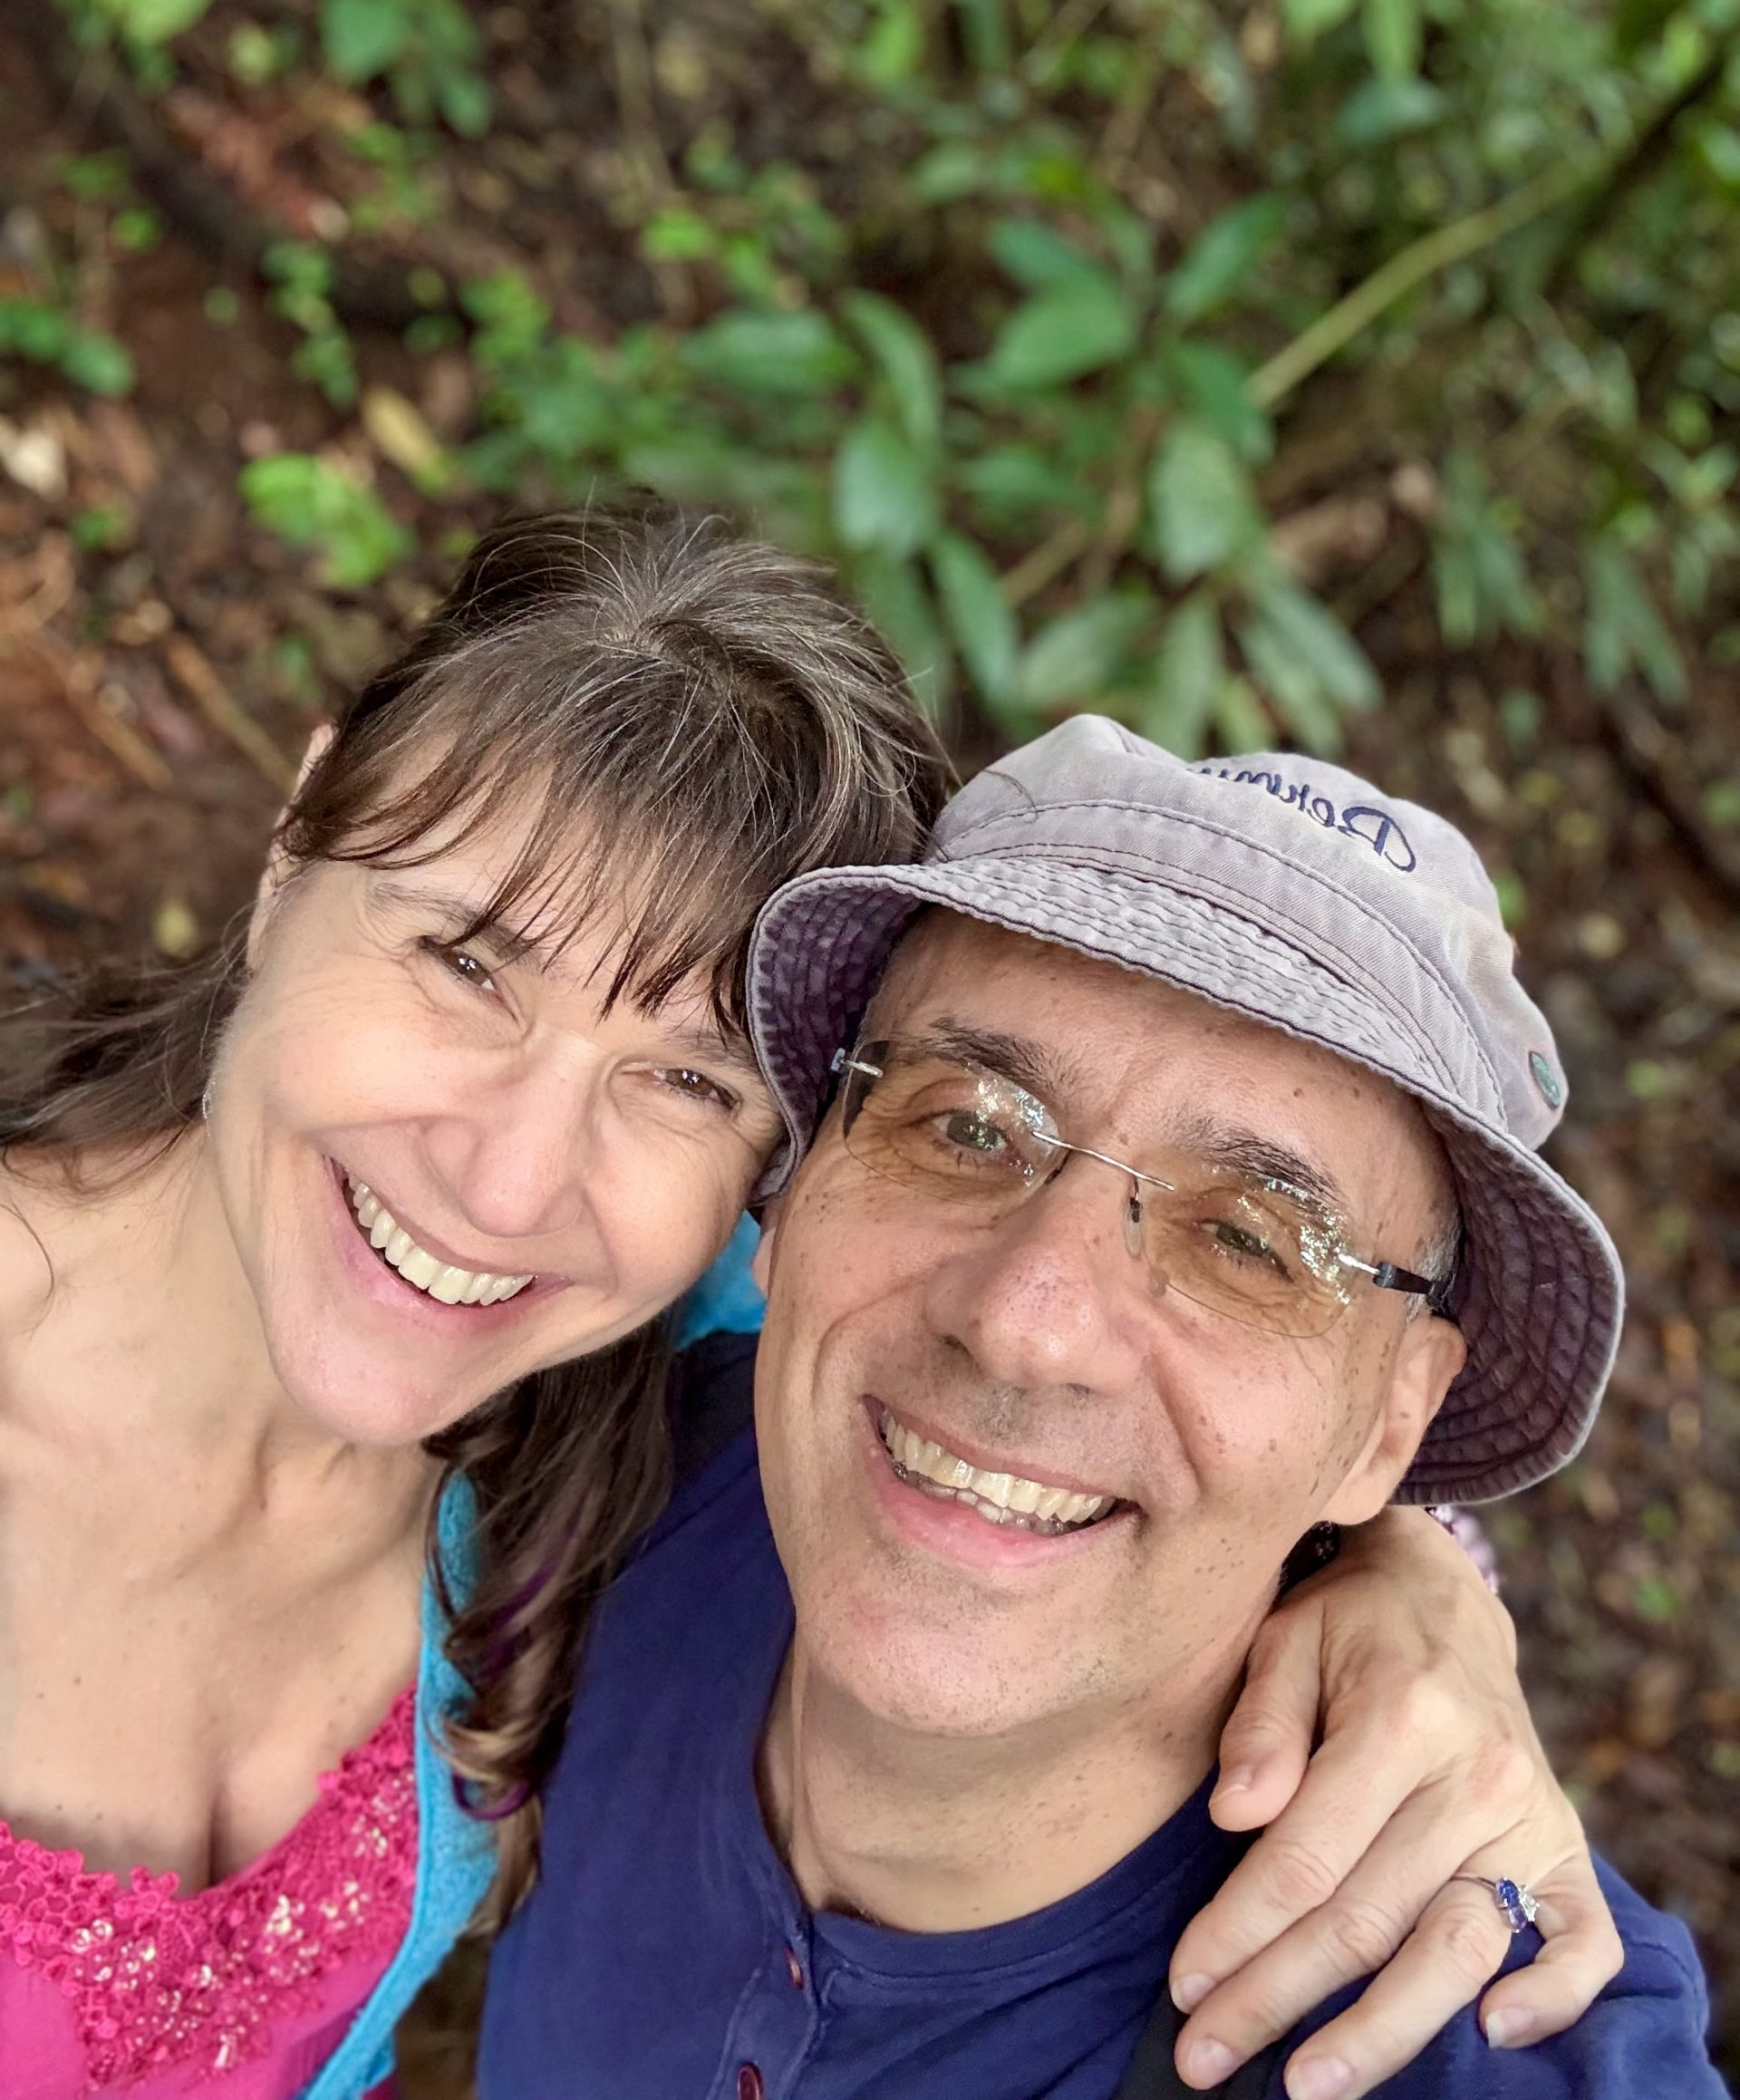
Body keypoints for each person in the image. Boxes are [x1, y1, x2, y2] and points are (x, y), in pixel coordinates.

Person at [0, 513, 1622, 2100]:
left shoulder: (651, 1392)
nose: (506, 1185)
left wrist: (1412, 1582)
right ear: (294, 844)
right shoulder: (664, 1388)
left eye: (689, 1081)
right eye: (469, 963)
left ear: (766, 1188)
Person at [478, 717, 1728, 2100]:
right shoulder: (595, 1470)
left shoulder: (1480, 2032)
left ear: (1391, 1423)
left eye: (1248, 1241)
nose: (1028, 1324)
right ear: (791, 1187)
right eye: (966, 1126)